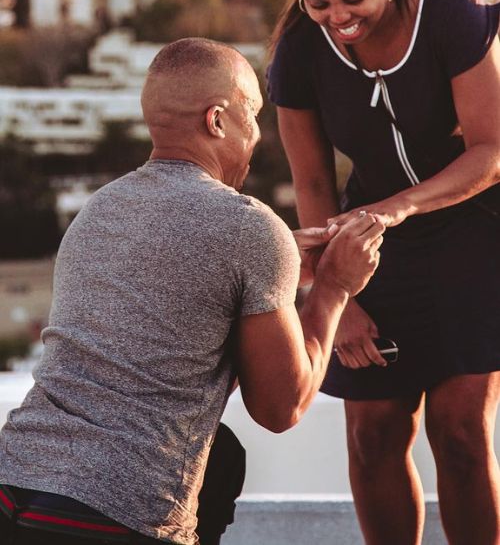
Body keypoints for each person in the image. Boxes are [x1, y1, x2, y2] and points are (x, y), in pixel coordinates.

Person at [0, 37, 384, 545]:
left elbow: (174, 302)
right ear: (217, 120)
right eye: (252, 116)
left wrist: (277, 267)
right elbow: (280, 408)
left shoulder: (98, 210)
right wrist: (335, 287)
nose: (257, 137)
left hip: (16, 485)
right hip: (117, 514)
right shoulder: (247, 227)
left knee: (220, 454)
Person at [267, 0, 500, 545]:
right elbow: (311, 180)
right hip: (367, 249)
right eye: (318, 2)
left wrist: (397, 207)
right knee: (373, 434)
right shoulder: (301, 51)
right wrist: (336, 295)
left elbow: (490, 150)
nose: (338, 14)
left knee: (458, 431)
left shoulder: (453, 13)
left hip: (475, 230)